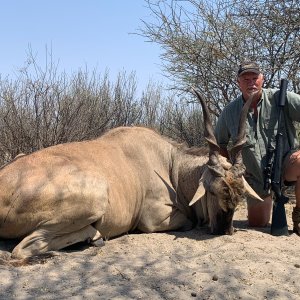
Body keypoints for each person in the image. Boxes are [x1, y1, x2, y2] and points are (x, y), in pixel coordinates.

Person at [214, 61, 300, 234]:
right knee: (257, 223)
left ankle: (299, 215)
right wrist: (232, 169)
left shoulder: (280, 98)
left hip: (286, 166)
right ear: (238, 82)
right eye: (245, 79)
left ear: (263, 79)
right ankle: (270, 202)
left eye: (255, 78)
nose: (251, 82)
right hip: (255, 179)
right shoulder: (230, 111)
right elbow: (218, 144)